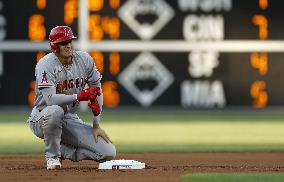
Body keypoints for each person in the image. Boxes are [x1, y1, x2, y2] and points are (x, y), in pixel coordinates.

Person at [27, 25, 116, 170]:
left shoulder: (84, 59)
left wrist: (96, 123)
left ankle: (63, 151)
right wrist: (79, 96)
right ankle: (52, 157)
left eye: (70, 41)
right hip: (41, 117)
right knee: (55, 111)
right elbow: (50, 100)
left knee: (108, 152)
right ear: (55, 46)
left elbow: (97, 88)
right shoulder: (46, 64)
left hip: (68, 117)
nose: (68, 45)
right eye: (63, 43)